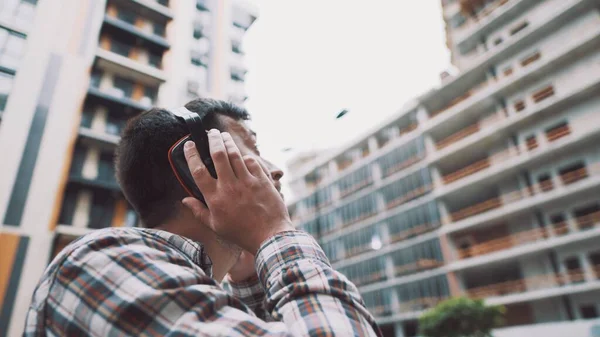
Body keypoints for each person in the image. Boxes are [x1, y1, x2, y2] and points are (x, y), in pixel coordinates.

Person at [24, 98, 381, 336]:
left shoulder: (198, 291)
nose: (275, 172)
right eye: (253, 153)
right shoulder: (101, 262)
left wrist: (246, 267)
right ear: (195, 169)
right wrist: (275, 231)